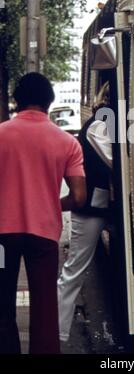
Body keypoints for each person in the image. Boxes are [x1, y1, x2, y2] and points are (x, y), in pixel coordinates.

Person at [0, 73, 86, 354]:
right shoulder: (68, 143)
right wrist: (50, 202)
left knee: (2, 303)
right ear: (50, 102)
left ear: (16, 101)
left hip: (1, 237)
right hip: (44, 235)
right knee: (45, 306)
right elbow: (79, 196)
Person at [57, 81, 113, 342]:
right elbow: (116, 161)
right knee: (74, 271)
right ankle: (58, 334)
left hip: (105, 206)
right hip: (91, 209)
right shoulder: (100, 125)